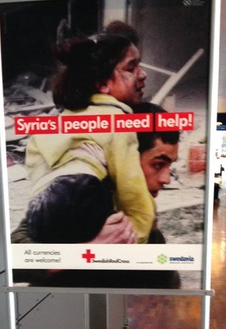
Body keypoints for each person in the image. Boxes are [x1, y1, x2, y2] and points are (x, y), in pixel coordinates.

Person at [11, 102, 182, 289]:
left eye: (170, 166)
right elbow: (13, 257)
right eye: (158, 164)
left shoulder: (142, 216)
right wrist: (90, 249)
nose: (166, 179)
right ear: (127, 158)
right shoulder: (79, 199)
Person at [24, 25, 155, 245]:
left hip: (37, 215)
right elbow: (131, 189)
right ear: (102, 84)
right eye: (131, 68)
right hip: (80, 196)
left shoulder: (54, 122)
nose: (143, 74)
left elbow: (36, 168)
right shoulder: (115, 119)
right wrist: (138, 234)